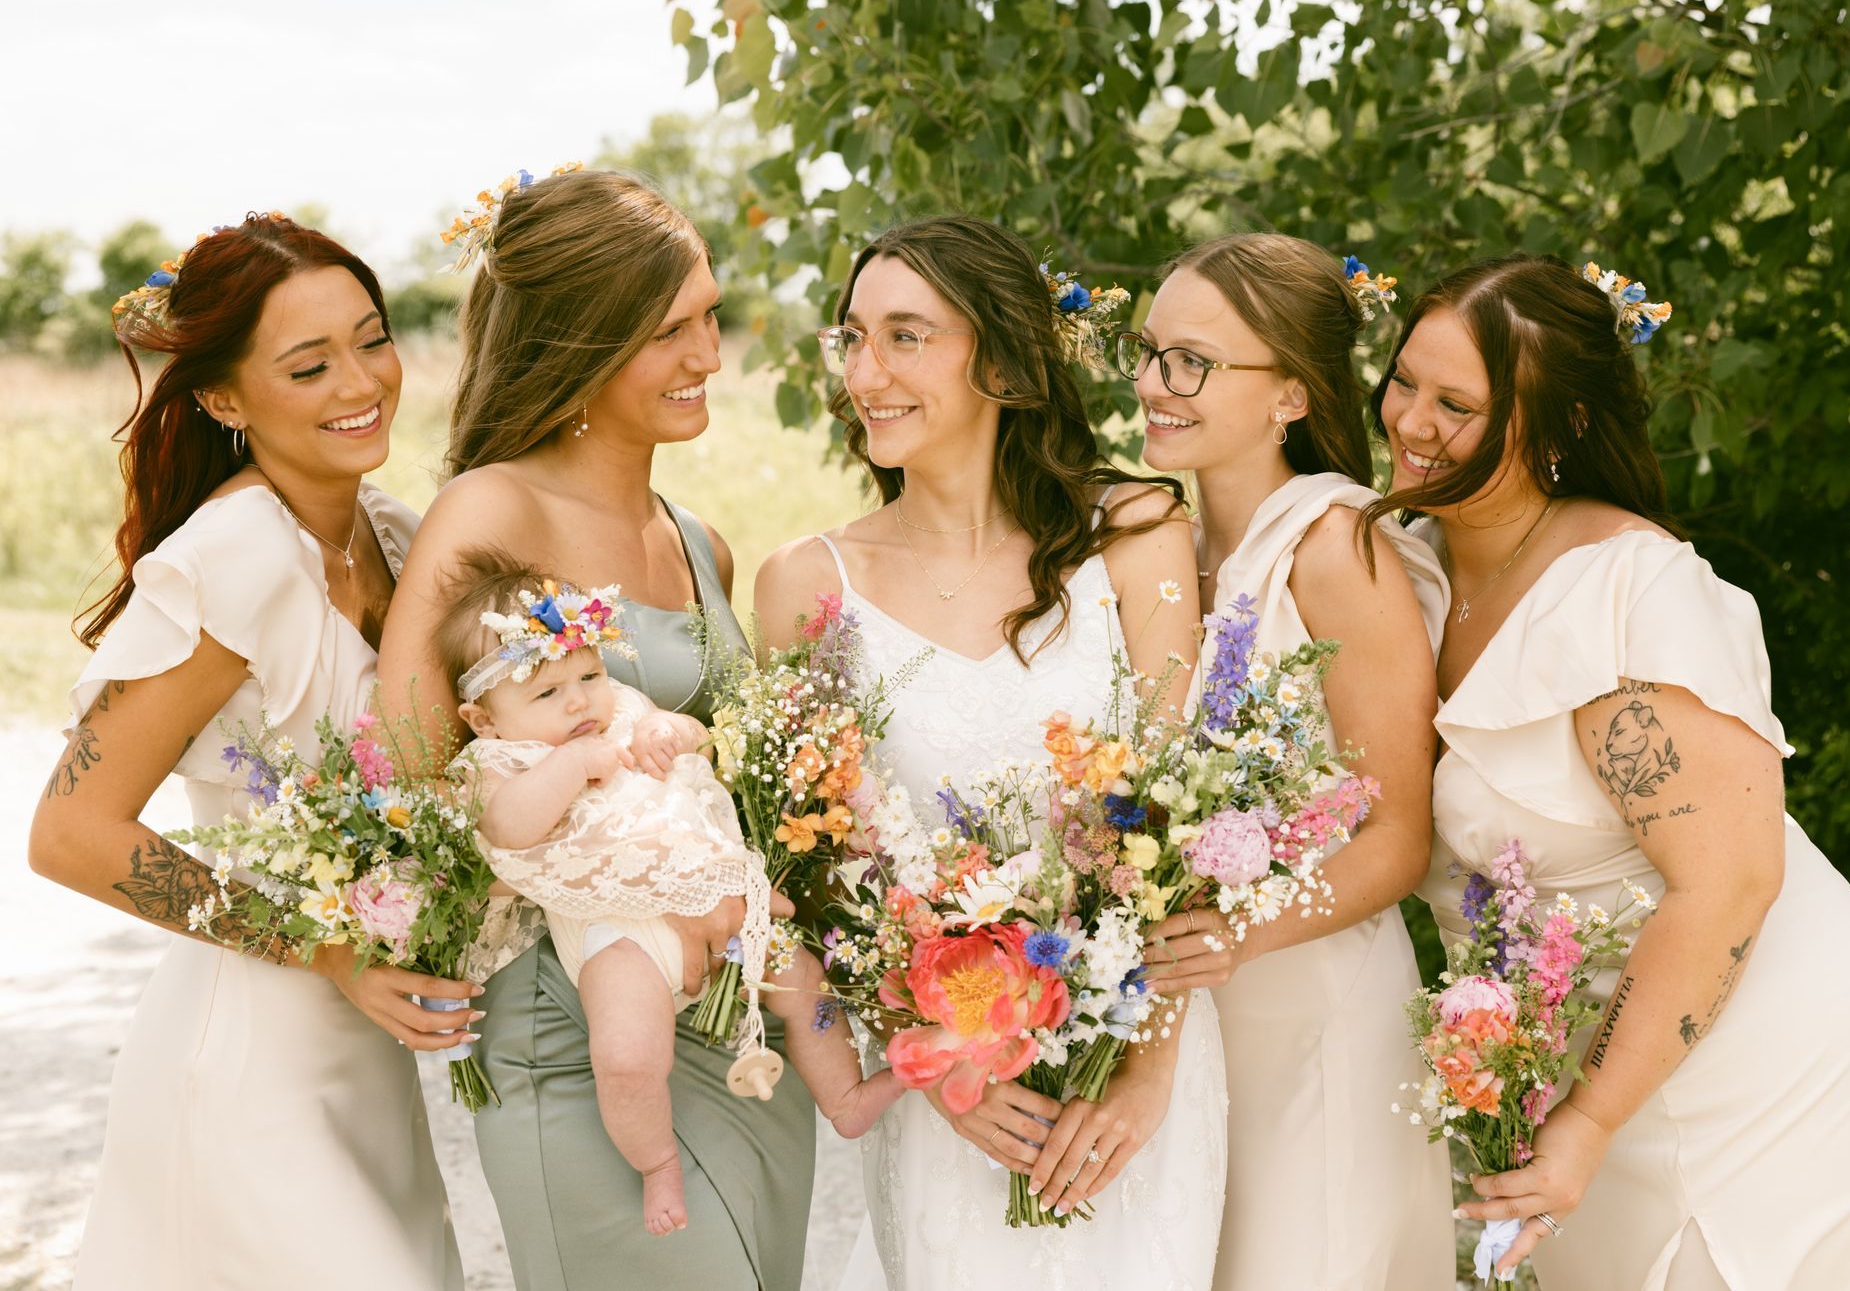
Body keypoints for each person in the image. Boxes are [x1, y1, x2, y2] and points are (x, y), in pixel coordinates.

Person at [1378, 253, 1850, 1286]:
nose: (1410, 422)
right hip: (1586, 1056)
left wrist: (1588, 1119)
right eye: (1406, 380)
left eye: (1458, 404)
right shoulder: (1409, 565)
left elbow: (1729, 883)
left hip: (1768, 1048)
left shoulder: (1627, 590)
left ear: (1561, 426)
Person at [756, 216, 1226, 1291]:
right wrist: (941, 1069)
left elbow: (1175, 822)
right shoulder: (805, 584)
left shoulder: (1138, 532)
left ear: (1005, 360)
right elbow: (816, 875)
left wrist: (1145, 1075)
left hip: (1134, 1085)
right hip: (952, 1104)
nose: (865, 373)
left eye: (907, 337)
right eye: (853, 337)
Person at [375, 167, 813, 1291]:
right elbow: (425, 779)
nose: (710, 355)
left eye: (710, 316)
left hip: (736, 1022)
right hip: (580, 1032)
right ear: (579, 344)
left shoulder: (699, 540)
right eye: (671, 331)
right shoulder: (492, 514)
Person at [28, 214, 467, 1289]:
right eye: (308, 365)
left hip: (365, 1070)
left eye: (372, 339)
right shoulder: (236, 556)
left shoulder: (394, 534)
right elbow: (69, 833)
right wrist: (325, 951)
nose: (360, 381)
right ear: (224, 398)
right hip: (250, 1063)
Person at [1120, 234, 1454, 1289]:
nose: (1151, 384)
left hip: (1314, 1014)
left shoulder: (1334, 545)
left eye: (1192, 362)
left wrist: (1232, 933)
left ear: (1293, 397)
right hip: (1194, 1025)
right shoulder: (1154, 545)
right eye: (1148, 350)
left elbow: (1399, 835)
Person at [439, 552, 901, 1235]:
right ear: (483, 719)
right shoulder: (498, 761)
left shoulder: (621, 711)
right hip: (617, 930)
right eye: (546, 693)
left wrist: (670, 730)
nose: (579, 702)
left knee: (803, 983)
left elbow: (693, 740)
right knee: (626, 1053)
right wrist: (571, 765)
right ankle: (656, 1162)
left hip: (715, 891)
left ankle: (848, 1097)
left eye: (590, 674)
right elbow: (508, 829)